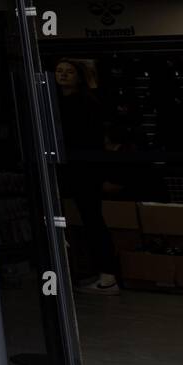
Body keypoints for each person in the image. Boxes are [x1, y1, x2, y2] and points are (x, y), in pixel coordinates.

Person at [56, 58, 120, 296]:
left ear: (79, 77)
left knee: (92, 219)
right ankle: (102, 272)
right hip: (76, 168)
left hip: (83, 169)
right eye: (59, 71)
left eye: (68, 72)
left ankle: (107, 275)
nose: (62, 75)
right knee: (88, 219)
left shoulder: (84, 103)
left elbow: (91, 138)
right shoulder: (61, 102)